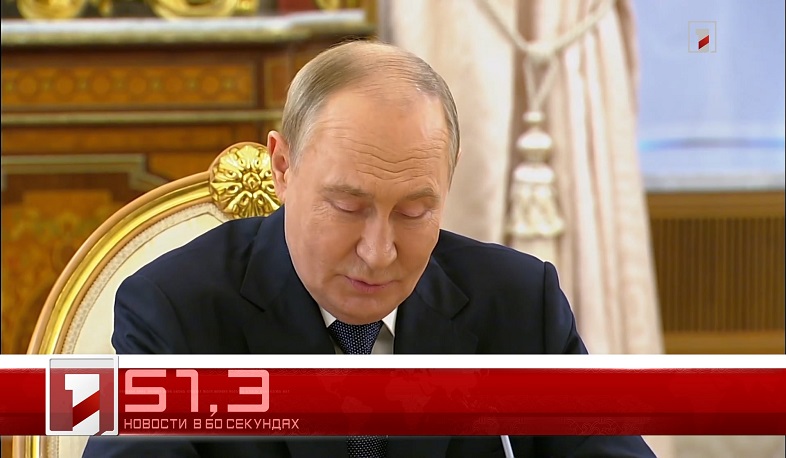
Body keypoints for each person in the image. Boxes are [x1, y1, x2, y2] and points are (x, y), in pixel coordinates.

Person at [84, 40, 655, 458]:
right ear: (283, 167)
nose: (379, 253)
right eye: (347, 206)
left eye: (413, 212)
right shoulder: (174, 308)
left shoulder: (519, 301)